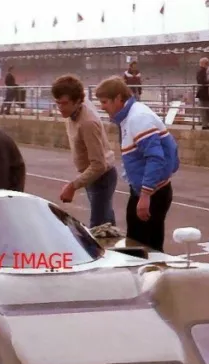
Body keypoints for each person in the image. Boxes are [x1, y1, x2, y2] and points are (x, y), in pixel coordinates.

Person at [95, 76, 179, 253]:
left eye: (104, 102)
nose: (102, 107)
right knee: (142, 244)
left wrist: (146, 194)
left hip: (153, 192)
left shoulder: (138, 118)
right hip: (147, 190)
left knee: (142, 248)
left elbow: (155, 158)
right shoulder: (131, 116)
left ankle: (151, 278)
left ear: (118, 98)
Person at [52, 74, 118, 228]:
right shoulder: (73, 108)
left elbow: (99, 165)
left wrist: (72, 186)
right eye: (57, 103)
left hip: (101, 177)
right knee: (107, 222)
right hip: (90, 175)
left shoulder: (87, 123)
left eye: (65, 104)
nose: (61, 108)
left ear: (77, 102)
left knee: (98, 227)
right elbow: (73, 87)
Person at [196, 57, 209, 130]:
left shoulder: (203, 71)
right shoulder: (202, 71)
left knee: (207, 110)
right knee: (206, 110)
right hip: (204, 94)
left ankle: (206, 124)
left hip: (204, 93)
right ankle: (206, 125)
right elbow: (202, 82)